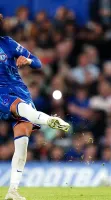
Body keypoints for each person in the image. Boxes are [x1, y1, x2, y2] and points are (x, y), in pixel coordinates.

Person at [0, 14, 70, 200]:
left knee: (22, 142)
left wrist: (28, 61)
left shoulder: (8, 43)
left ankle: (12, 191)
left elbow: (37, 62)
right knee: (20, 107)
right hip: (1, 93)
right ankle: (49, 120)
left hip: (20, 89)